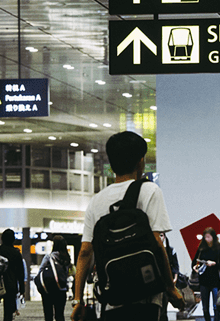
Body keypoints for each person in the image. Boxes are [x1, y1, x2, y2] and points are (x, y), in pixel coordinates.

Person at [71, 131, 184, 321]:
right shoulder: (150, 190)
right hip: (146, 297)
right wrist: (170, 288)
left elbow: (84, 253)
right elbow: (157, 243)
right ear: (141, 161)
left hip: (111, 297)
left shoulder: (97, 201)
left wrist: (78, 300)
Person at [0, 229, 25, 321]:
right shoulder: (16, 253)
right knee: (8, 311)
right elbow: (20, 272)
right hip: (11, 285)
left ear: (2, 238)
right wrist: (22, 289)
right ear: (13, 239)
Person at [192, 227, 220, 321]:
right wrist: (195, 267)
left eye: (208, 237)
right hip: (204, 280)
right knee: (205, 307)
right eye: (205, 237)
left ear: (213, 237)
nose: (207, 239)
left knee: (216, 306)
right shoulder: (201, 248)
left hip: (216, 281)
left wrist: (214, 264)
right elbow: (194, 262)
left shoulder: (219, 248)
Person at [39, 235, 71, 321]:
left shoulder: (49, 257)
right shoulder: (67, 258)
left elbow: (41, 270)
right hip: (62, 288)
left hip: (49, 289)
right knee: (60, 315)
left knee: (48, 315)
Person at [160, 233, 181, 321]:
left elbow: (175, 265)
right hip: (158, 281)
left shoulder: (170, 250)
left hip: (167, 281)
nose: (160, 238)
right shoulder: (153, 249)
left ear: (164, 237)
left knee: (165, 303)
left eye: (161, 235)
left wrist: (175, 278)